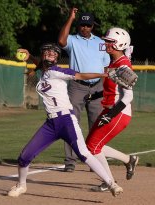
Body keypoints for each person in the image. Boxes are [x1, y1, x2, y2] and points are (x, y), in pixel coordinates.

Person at [7, 43, 123, 197]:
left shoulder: (57, 71)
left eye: (53, 53)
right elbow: (40, 64)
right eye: (47, 52)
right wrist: (29, 57)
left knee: (84, 154)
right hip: (51, 124)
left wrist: (104, 74)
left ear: (57, 59)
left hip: (66, 120)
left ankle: (111, 184)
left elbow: (81, 75)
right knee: (24, 156)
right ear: (42, 56)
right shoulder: (44, 71)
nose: (50, 54)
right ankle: (21, 186)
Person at [85, 27, 139, 192]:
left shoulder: (123, 65)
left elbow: (128, 96)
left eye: (110, 41)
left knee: (92, 147)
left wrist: (110, 115)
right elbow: (115, 89)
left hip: (118, 113)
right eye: (107, 40)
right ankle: (128, 161)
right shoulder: (113, 62)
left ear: (120, 44)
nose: (106, 43)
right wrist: (96, 96)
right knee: (92, 146)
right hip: (110, 110)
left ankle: (109, 182)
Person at [58, 8, 110, 172]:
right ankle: (70, 162)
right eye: (82, 25)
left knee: (97, 124)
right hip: (77, 86)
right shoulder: (73, 40)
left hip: (97, 86)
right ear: (78, 25)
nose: (85, 28)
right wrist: (70, 18)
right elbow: (61, 41)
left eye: (88, 25)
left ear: (92, 26)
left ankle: (95, 161)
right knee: (71, 123)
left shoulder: (101, 43)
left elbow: (106, 66)